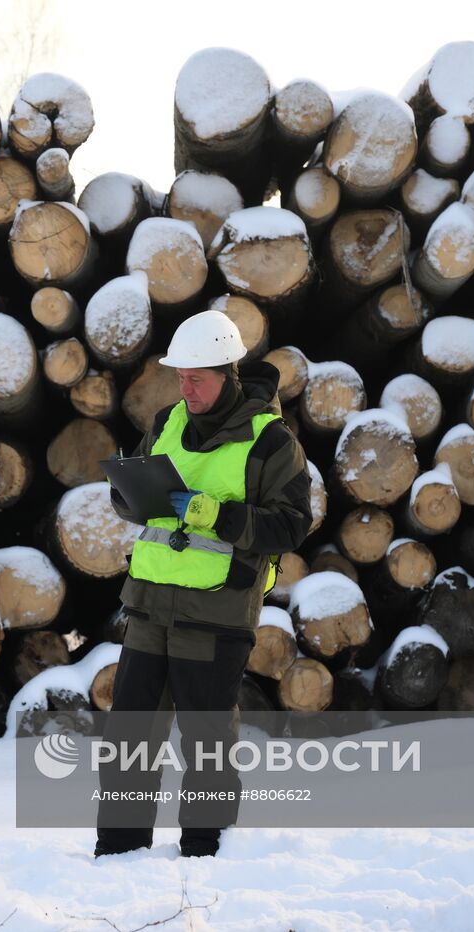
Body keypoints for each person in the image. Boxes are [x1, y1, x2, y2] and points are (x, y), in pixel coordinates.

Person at [94, 309, 313, 859]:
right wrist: (128, 491)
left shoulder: (271, 441)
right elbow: (139, 501)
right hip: (147, 606)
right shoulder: (166, 421)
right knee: (130, 741)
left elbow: (291, 525)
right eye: (180, 377)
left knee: (207, 743)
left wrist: (219, 515)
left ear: (229, 374)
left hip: (216, 615)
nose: (186, 389)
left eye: (198, 378)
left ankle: (204, 852)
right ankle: (118, 851)